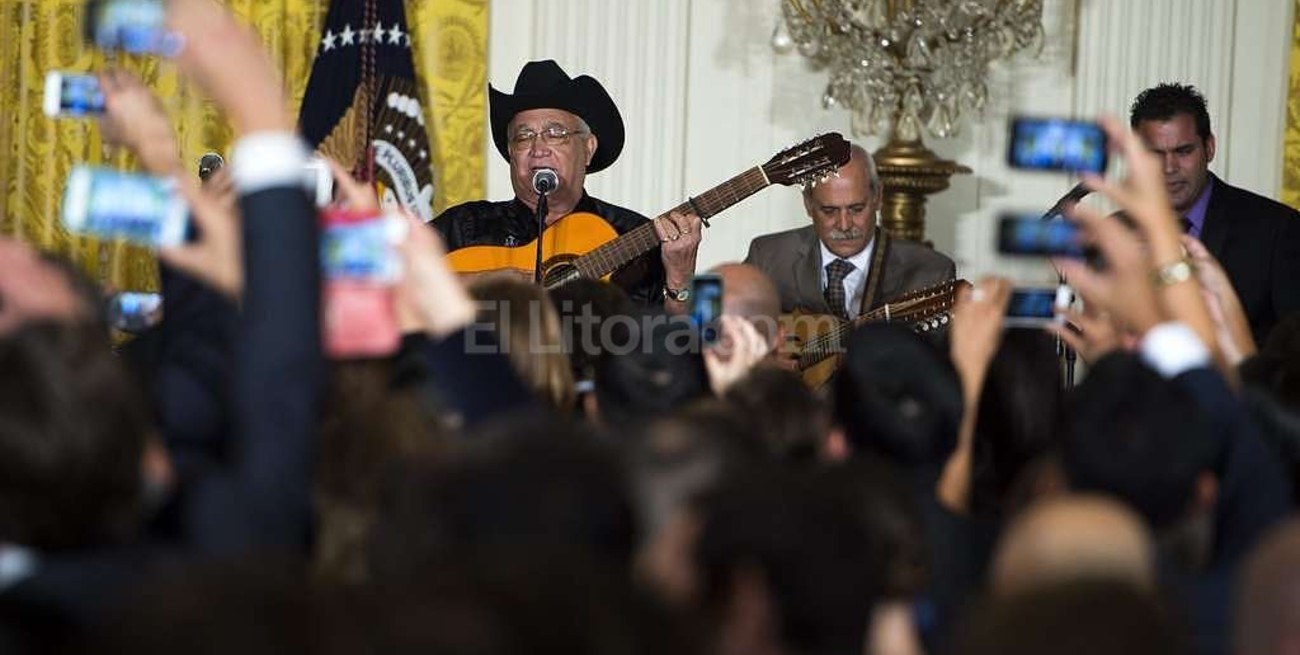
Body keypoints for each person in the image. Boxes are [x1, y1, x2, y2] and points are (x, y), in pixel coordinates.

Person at [431, 60, 701, 309]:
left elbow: (705, 333)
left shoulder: (635, 233)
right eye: (524, 137)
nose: (538, 148)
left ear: (588, 148)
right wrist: (488, 283)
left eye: (556, 133)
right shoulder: (464, 225)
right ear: (512, 153)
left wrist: (682, 276)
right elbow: (390, 281)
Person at [1129, 83, 1300, 344]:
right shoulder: (1119, 233)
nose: (1169, 167)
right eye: (1155, 155)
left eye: (1183, 151)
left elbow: (1292, 355)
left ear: (1209, 148)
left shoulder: (1276, 229)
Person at [744, 144, 955, 319]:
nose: (844, 225)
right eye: (829, 211)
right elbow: (716, 324)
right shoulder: (768, 256)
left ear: (878, 197)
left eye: (856, 209)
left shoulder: (931, 273)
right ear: (808, 205)